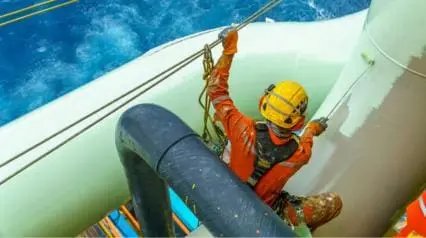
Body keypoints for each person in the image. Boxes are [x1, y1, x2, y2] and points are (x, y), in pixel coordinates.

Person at [206, 27, 342, 232]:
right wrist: (313, 128)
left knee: (223, 148)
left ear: (264, 102)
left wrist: (229, 49)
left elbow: (216, 90)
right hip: (263, 211)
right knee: (333, 203)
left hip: (227, 194)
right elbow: (307, 137)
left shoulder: (241, 128)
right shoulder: (300, 154)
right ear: (298, 123)